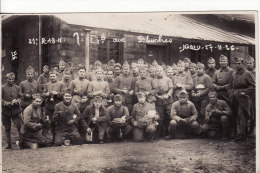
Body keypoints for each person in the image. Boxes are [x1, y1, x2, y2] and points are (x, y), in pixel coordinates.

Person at [229, 57, 255, 141]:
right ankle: (238, 133)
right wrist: (231, 93)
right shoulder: (234, 73)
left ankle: (242, 134)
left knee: (241, 114)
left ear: (243, 64)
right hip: (235, 97)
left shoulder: (248, 73)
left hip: (244, 98)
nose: (238, 65)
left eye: (239, 63)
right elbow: (231, 85)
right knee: (235, 114)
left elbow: (253, 86)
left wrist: (245, 91)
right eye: (236, 63)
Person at [2, 72, 23, 149]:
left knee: (20, 127)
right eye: (9, 79)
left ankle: (22, 142)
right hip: (5, 112)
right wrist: (5, 103)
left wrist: (17, 101)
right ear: (6, 79)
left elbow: (21, 97)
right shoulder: (2, 88)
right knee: (7, 128)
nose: (11, 80)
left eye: (12, 79)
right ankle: (8, 144)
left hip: (16, 111)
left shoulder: (17, 88)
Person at [42, 69, 65, 138]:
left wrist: (57, 93)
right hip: (49, 106)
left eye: (53, 76)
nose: (52, 77)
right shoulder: (47, 84)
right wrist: (46, 94)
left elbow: (64, 94)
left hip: (57, 105)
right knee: (49, 121)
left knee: (58, 121)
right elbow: (43, 93)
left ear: (56, 76)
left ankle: (58, 137)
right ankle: (46, 138)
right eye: (50, 76)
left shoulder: (61, 84)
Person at [153, 65, 174, 137]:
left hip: (168, 100)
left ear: (163, 71)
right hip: (158, 100)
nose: (159, 72)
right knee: (159, 117)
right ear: (156, 72)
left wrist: (168, 95)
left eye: (160, 70)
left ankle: (170, 133)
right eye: (157, 71)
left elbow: (171, 88)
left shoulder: (168, 79)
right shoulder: (154, 79)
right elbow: (153, 90)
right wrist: (157, 96)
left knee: (169, 115)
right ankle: (159, 133)